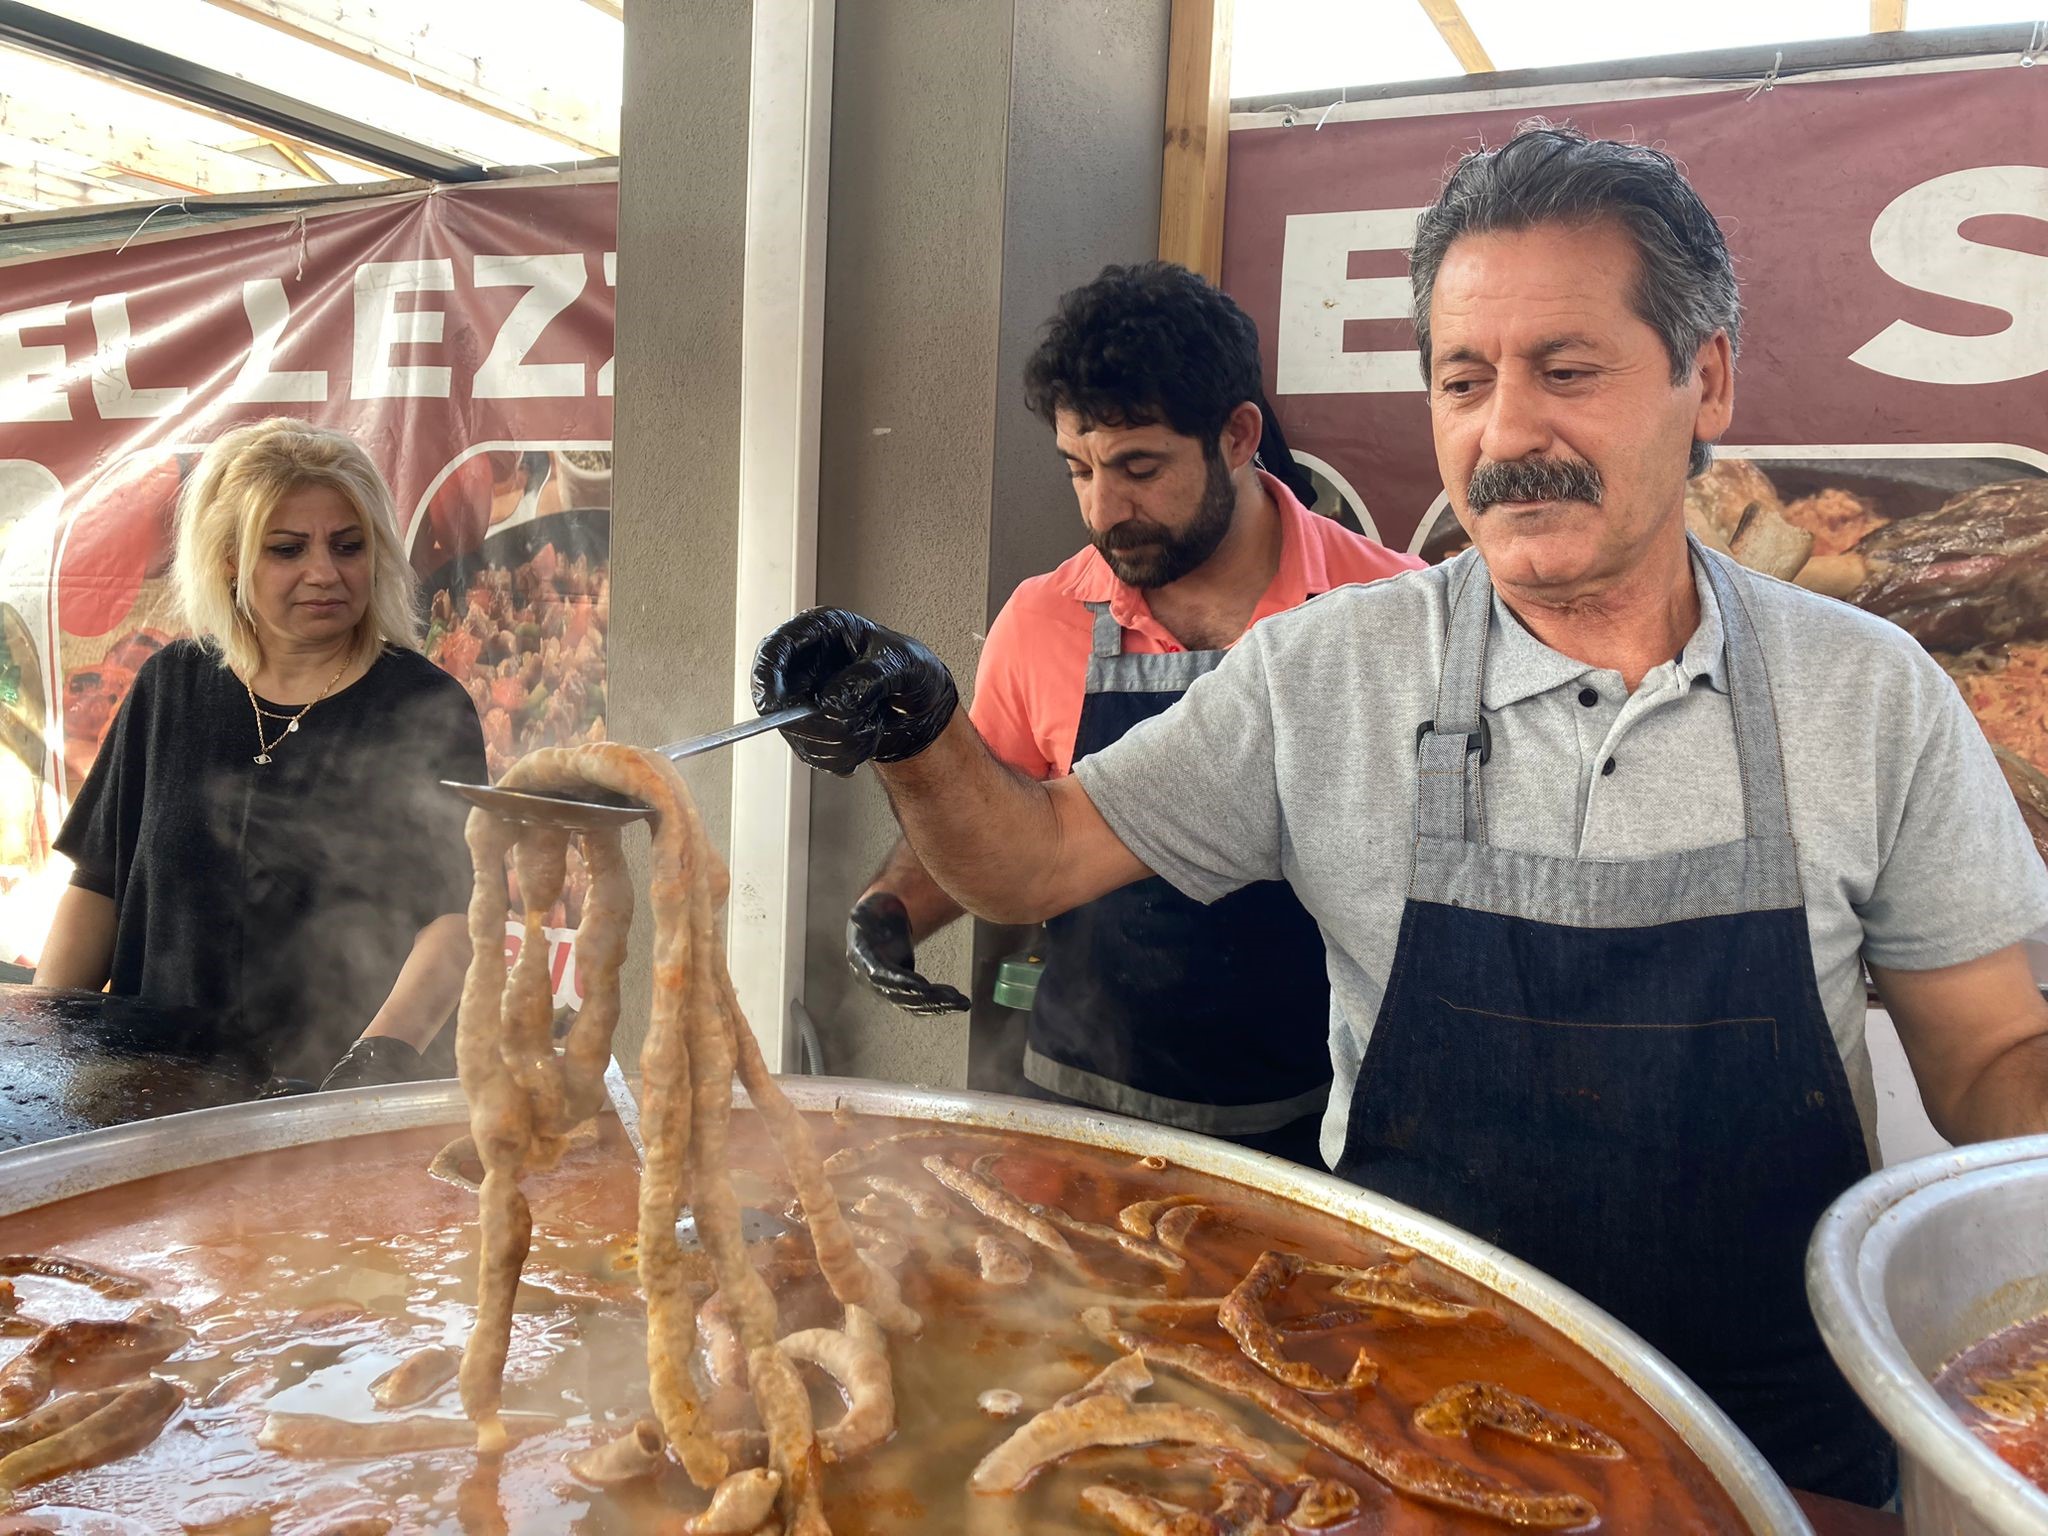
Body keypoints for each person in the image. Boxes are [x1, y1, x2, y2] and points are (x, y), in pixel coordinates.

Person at [753, 126, 2048, 1505]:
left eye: (1568, 371)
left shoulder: (1869, 695)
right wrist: (915, 730)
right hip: (1395, 1431)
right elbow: (1030, 861)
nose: (1507, 435)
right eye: (1463, 380)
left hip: (1771, 1450)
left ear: (1705, 376)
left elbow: (1989, 1060)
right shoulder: (1333, 670)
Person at [846, 262, 1419, 1165]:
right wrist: (891, 908)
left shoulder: (1388, 615)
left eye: (1139, 468)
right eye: (1079, 470)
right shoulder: (1044, 617)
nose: (1103, 511)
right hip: (1074, 1115)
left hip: (1311, 1135)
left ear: (1237, 436)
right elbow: (989, 811)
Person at [36, 419, 487, 1093]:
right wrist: (36, 1045)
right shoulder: (171, 686)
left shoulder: (425, 707)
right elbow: (97, 886)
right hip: (152, 1092)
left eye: (347, 546)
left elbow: (455, 919)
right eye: (286, 549)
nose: (324, 574)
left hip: (337, 1099)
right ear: (229, 559)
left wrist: (374, 1064)